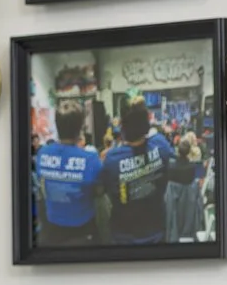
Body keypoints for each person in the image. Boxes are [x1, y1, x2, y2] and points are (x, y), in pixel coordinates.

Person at [98, 95, 174, 249]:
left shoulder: (111, 159)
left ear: (122, 126)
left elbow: (102, 190)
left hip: (123, 238)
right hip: (156, 232)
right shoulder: (161, 145)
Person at [32, 99, 106, 253]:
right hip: (83, 232)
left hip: (50, 231)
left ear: (57, 125)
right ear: (80, 128)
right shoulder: (90, 159)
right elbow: (99, 191)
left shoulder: (43, 153)